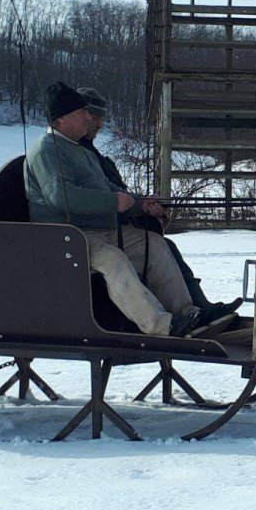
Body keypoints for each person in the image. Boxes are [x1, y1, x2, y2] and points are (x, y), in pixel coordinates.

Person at [25, 80, 230, 338]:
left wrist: (139, 203)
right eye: (82, 113)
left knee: (154, 244)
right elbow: (59, 197)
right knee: (114, 260)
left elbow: (108, 186)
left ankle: (187, 313)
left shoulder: (80, 150)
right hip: (67, 239)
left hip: (99, 232)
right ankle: (161, 326)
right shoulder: (47, 151)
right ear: (61, 120)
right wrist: (113, 202)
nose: (89, 118)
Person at [74, 86, 242, 321]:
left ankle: (197, 308)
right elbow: (96, 200)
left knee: (163, 244)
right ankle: (187, 313)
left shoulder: (92, 156)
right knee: (160, 246)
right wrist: (137, 208)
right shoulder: (74, 156)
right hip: (94, 236)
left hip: (111, 227)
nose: (100, 125)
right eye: (96, 119)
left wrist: (144, 206)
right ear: (82, 117)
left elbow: (116, 193)